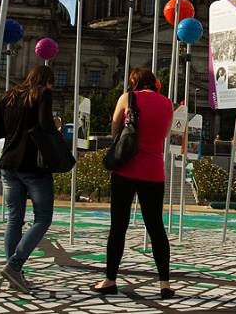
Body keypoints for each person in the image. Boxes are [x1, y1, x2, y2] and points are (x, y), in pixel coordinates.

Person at [94, 67, 174, 299]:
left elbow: (115, 130)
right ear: (155, 83)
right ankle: (164, 284)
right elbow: (165, 134)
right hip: (154, 172)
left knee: (119, 226)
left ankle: (110, 279)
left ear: (134, 82)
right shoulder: (167, 104)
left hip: (126, 170)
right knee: (156, 227)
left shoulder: (127, 98)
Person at [0, 65, 62, 293]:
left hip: (8, 164)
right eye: (51, 83)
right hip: (33, 166)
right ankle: (14, 265)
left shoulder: (8, 97)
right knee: (43, 218)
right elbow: (45, 125)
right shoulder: (42, 93)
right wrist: (57, 125)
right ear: (46, 81)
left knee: (14, 219)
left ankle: (16, 273)